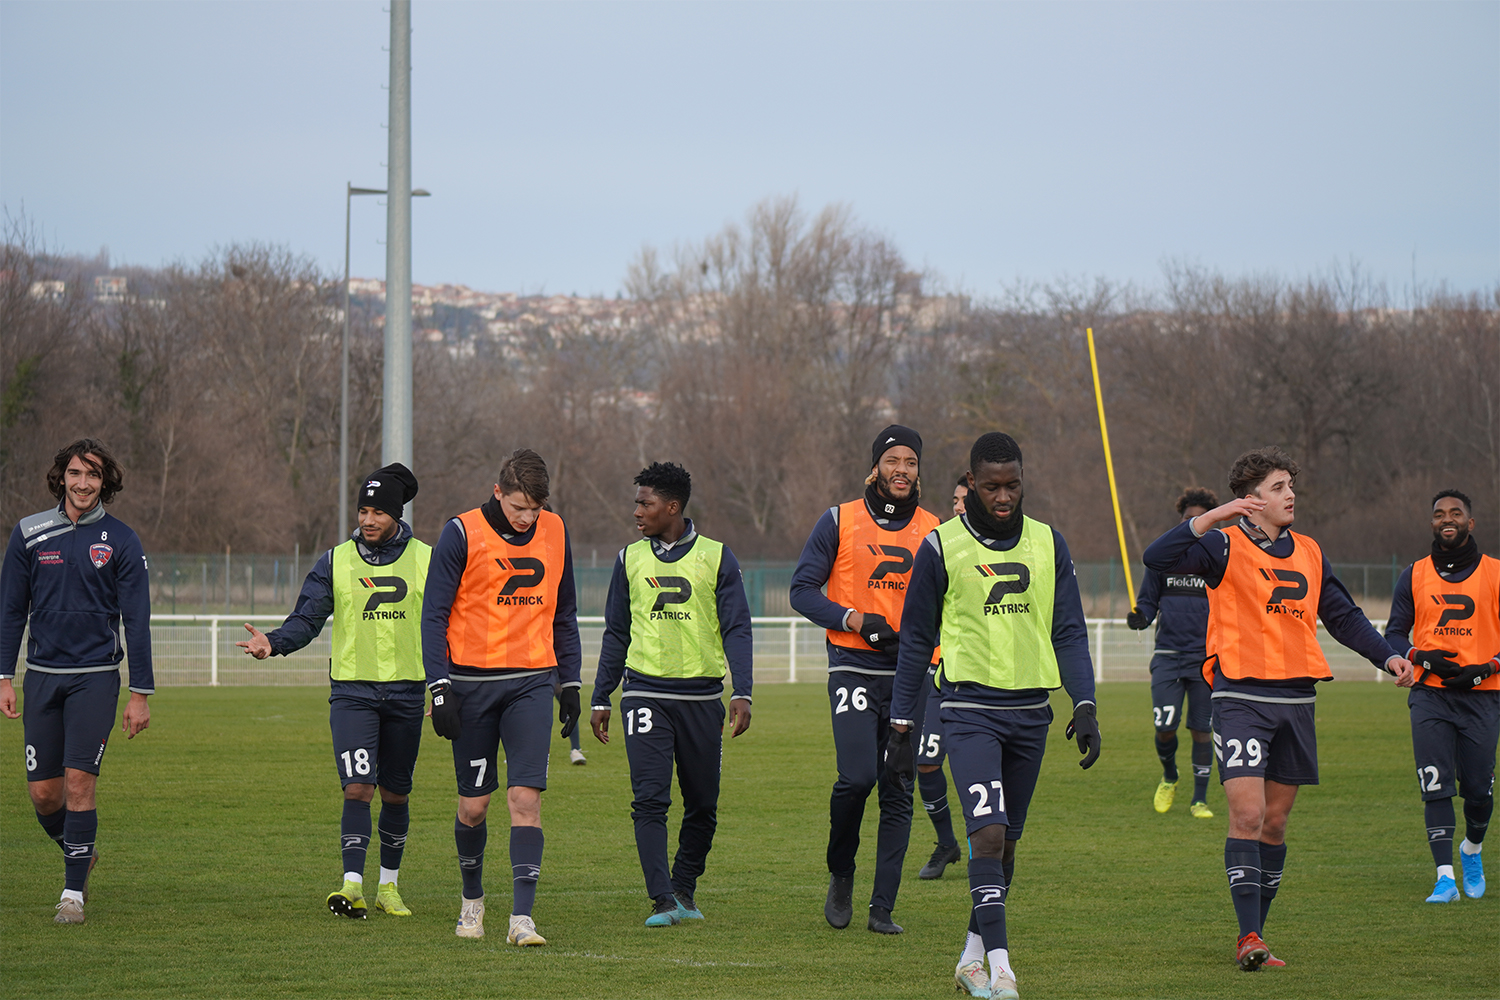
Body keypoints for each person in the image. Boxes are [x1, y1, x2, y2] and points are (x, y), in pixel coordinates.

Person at [1144, 445, 1414, 972]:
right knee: (1247, 815)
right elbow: (1157, 558)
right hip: (1240, 697)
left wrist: (1389, 656)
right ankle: (1248, 936)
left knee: (1275, 825)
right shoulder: (1220, 546)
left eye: (1291, 485)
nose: (1290, 495)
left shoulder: (1311, 551)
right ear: (1251, 500)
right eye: (1278, 487)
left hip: (1297, 700)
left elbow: (1342, 614)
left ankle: (1257, 934)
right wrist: (1211, 518)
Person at [890, 432, 1100, 1000]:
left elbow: (1069, 631)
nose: (1003, 496)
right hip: (968, 711)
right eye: (991, 487)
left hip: (1032, 714)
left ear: (1022, 480)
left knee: (1006, 847)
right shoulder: (942, 546)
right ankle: (1003, 971)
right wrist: (901, 721)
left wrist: (1084, 703)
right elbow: (915, 640)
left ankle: (969, 960)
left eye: (1012, 485)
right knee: (986, 834)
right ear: (971, 484)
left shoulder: (1048, 543)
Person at [237, 463, 428, 919]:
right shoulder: (335, 560)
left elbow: (450, 621)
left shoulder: (427, 558)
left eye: (378, 512)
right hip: (353, 694)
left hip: (407, 694)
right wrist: (273, 641)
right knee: (358, 788)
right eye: (363, 510)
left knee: (396, 794)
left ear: (396, 515)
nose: (367, 520)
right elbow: (307, 619)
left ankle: (389, 886)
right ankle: (352, 884)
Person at [422, 448, 581, 946]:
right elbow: (433, 615)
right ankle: (472, 902)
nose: (528, 518)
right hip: (470, 686)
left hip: (532, 681)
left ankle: (522, 919)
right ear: (497, 493)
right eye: (518, 507)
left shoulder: (555, 531)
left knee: (524, 798)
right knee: (474, 805)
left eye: (536, 508)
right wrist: (439, 686)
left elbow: (565, 612)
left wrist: (571, 682)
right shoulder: (461, 532)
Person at [790, 424, 940, 934]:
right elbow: (802, 591)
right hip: (853, 666)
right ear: (876, 467)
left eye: (912, 462)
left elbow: (950, 606)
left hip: (909, 676)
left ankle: (882, 908)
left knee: (898, 784)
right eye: (893, 460)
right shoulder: (838, 520)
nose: (903, 470)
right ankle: (841, 872)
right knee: (857, 779)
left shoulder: (936, 530)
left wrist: (929, 654)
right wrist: (855, 620)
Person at [589, 462, 754, 926]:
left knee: (703, 803)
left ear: (673, 507)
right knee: (650, 800)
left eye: (646, 503)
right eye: (637, 502)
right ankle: (661, 898)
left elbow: (737, 628)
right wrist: (602, 695)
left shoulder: (719, 557)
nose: (637, 511)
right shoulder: (629, 559)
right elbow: (616, 632)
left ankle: (684, 887)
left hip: (702, 700)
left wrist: (743, 690)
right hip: (644, 694)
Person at [0, 439, 152, 925]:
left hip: (96, 679)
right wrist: (4, 676)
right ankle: (81, 852)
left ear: (105, 481)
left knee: (79, 784)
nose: (83, 484)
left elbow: (137, 620)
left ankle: (72, 895)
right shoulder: (29, 533)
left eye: (93, 475)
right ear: (61, 477)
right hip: (41, 678)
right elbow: (10, 611)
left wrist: (140, 694)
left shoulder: (122, 540)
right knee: (44, 794)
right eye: (75, 474)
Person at [1384, 489, 1497, 903]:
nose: (1446, 519)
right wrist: (1419, 656)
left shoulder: (1496, 573)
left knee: (1479, 792)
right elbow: (1393, 634)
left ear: (1470, 522)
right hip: (1430, 695)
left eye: (1456, 513)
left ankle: (1471, 850)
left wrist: (1489, 667)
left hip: (1483, 697)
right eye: (1438, 514)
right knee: (1434, 784)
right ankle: (1445, 878)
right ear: (1432, 523)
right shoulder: (1413, 574)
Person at [1127, 487, 1219, 818]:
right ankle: (1169, 776)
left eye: (1199, 518)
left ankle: (1199, 800)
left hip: (1205, 660)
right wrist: (1141, 617)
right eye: (1186, 519)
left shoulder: (1218, 558)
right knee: (1164, 726)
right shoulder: (1164, 557)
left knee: (1201, 729)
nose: (1192, 523)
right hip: (1167, 656)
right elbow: (1149, 601)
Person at [910, 474, 974, 881]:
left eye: (963, 500)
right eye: (954, 499)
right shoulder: (939, 544)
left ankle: (981, 847)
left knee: (975, 768)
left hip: (980, 679)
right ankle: (947, 843)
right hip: (938, 675)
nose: (957, 506)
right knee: (926, 762)